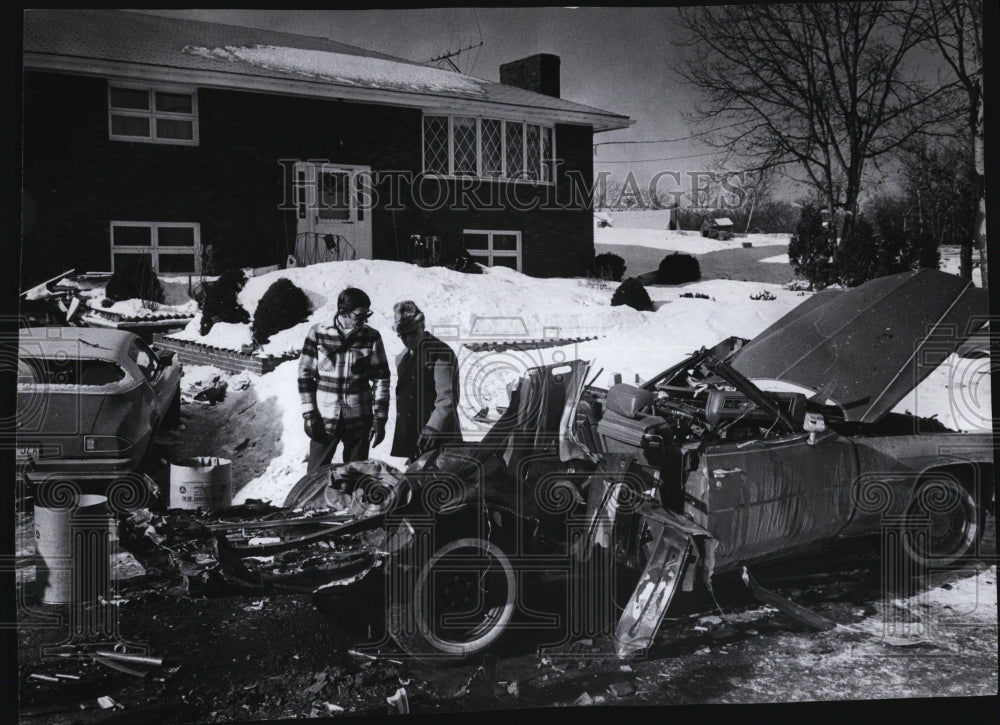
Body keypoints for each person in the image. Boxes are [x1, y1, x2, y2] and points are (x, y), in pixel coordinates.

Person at [298, 287, 390, 473]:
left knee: (355, 476)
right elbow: (305, 375)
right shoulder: (318, 332)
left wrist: (380, 419)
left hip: (358, 419)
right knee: (314, 476)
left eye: (367, 314)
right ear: (344, 312)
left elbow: (381, 379)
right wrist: (309, 413)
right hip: (324, 419)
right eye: (360, 315)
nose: (365, 319)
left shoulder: (371, 337)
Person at [389, 300, 462, 461]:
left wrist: (433, 428)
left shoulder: (440, 353)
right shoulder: (402, 358)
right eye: (403, 335)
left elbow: (447, 399)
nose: (408, 339)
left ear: (422, 326)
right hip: (416, 438)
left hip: (438, 436)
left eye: (413, 333)